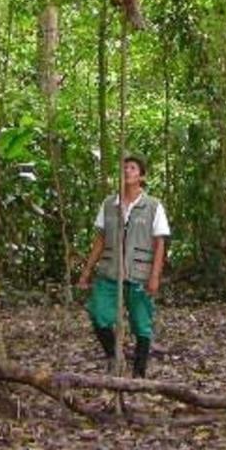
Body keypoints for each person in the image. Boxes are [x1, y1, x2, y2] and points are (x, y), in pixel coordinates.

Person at [78, 156, 170, 377]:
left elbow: (160, 243)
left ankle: (139, 373)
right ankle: (112, 355)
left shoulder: (153, 206)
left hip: (139, 274)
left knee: (141, 323)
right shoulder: (109, 204)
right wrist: (87, 270)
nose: (127, 171)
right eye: (124, 168)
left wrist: (155, 277)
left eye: (132, 168)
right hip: (110, 271)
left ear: (142, 175)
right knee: (98, 312)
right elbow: (100, 239)